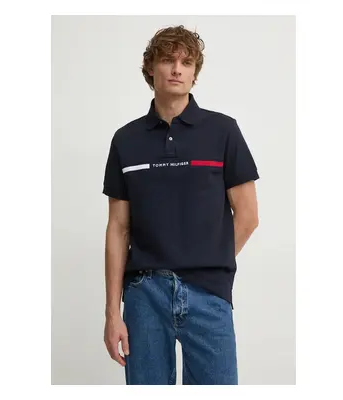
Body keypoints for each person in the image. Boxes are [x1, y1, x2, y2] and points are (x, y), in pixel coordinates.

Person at [102, 25, 260, 385]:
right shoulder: (126, 140)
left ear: (194, 73)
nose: (177, 69)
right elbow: (118, 228)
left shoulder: (223, 131)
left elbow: (248, 216)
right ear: (151, 68)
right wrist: (112, 312)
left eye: (186, 62)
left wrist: (210, 262)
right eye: (168, 60)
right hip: (144, 295)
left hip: (208, 293)